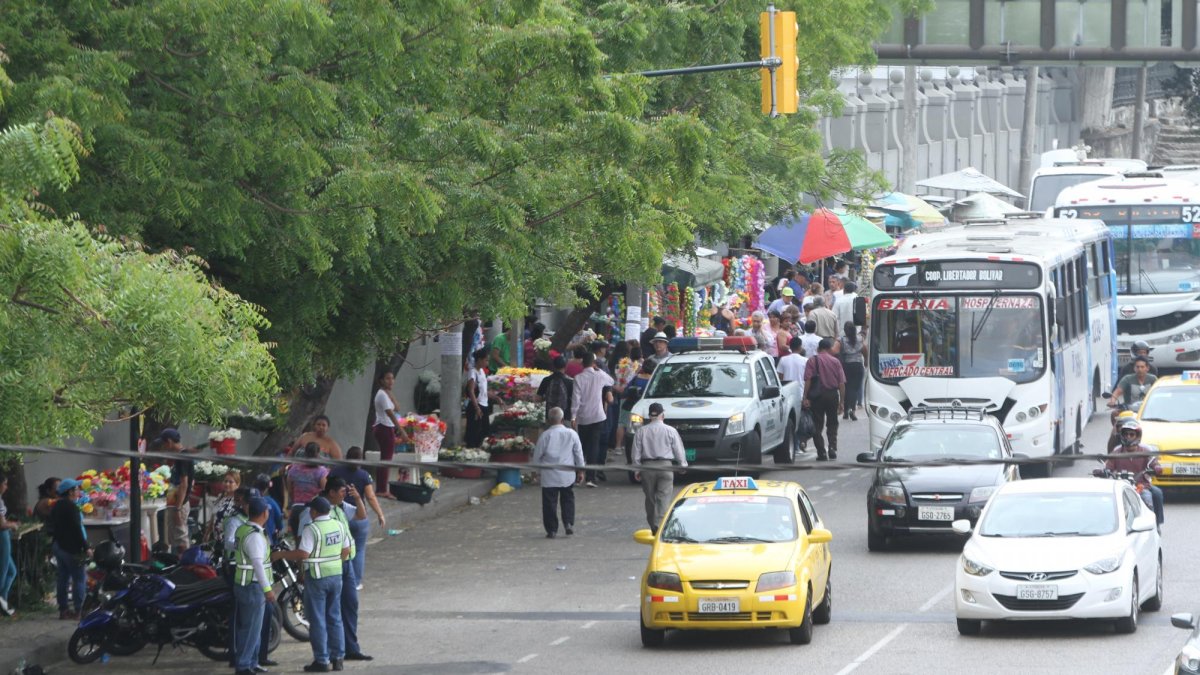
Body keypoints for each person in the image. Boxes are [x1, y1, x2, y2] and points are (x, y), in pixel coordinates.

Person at [298, 478, 372, 663]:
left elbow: (361, 515)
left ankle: (349, 649)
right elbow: (302, 543)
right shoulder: (312, 512)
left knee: (349, 606)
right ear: (331, 492)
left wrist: (358, 498)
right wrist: (302, 570)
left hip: (344, 565)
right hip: (324, 569)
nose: (345, 494)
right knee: (325, 614)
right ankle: (328, 655)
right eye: (342, 491)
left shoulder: (341, 508)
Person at [274, 496, 350, 673]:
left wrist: (281, 555)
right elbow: (346, 551)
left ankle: (322, 660)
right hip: (336, 576)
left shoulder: (312, 528)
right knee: (335, 617)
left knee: (317, 620)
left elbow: (303, 554)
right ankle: (338, 658)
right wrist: (334, 562)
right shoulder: (339, 525)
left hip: (317, 578)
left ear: (314, 512)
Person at [330, 447, 385, 587]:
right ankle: (355, 583)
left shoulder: (335, 472)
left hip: (339, 515)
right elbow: (371, 497)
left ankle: (339, 580)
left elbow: (326, 488)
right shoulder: (364, 475)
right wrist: (380, 514)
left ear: (346, 457)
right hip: (358, 516)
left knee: (338, 549)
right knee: (359, 550)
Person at [231, 497, 274, 675]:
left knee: (253, 628)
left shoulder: (243, 529)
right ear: (264, 513)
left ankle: (252, 662)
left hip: (244, 584)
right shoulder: (255, 536)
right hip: (253, 586)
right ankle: (243, 665)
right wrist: (267, 589)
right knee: (250, 629)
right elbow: (258, 565)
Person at [631, 403, 688, 533]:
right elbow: (678, 450)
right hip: (666, 467)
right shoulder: (670, 430)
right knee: (664, 497)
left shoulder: (641, 431)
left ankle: (653, 525)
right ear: (663, 415)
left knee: (650, 498)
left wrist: (636, 469)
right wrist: (682, 465)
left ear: (649, 416)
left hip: (647, 467)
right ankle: (661, 525)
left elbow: (636, 453)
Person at [532, 407, 585, 538]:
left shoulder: (545, 436)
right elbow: (578, 454)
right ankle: (568, 523)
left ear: (549, 420)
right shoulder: (572, 434)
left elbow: (537, 456)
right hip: (567, 474)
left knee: (549, 503)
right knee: (568, 499)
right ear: (562, 419)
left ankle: (552, 530)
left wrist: (535, 472)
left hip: (549, 476)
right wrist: (581, 470)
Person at [1105, 419, 1165, 525]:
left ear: (1137, 436)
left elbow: (1154, 462)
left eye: (1131, 434)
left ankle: (1155, 525)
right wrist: (1103, 471)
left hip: (1141, 486)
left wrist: (1157, 467)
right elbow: (1108, 466)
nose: (1128, 437)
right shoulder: (1117, 451)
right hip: (1121, 487)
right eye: (1126, 434)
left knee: (1151, 497)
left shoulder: (1146, 451)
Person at [572, 351, 614, 487]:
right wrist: (599, 370)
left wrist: (573, 416)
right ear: (594, 363)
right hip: (598, 416)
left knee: (581, 447)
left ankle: (578, 476)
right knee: (594, 447)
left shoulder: (578, 378)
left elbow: (576, 399)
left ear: (582, 364)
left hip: (583, 417)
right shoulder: (599, 375)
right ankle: (591, 478)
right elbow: (611, 381)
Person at [49, 478, 88, 619]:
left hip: (58, 545)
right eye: (76, 489)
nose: (78, 492)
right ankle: (79, 610)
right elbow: (77, 529)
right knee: (79, 578)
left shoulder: (57, 506)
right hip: (71, 548)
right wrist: (86, 547)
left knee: (63, 578)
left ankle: (63, 610)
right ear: (70, 492)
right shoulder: (72, 507)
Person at [803, 338, 847, 461]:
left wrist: (805, 397)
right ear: (829, 349)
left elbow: (808, 380)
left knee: (817, 424)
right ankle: (832, 448)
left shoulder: (812, 360)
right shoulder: (836, 361)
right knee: (832, 422)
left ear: (818, 349)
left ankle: (821, 452)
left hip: (817, 396)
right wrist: (842, 402)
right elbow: (841, 383)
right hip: (832, 395)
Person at [372, 371, 411, 492]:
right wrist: (402, 431)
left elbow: (397, 408)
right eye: (387, 378)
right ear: (381, 380)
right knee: (386, 460)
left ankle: (381, 488)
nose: (391, 381)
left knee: (385, 459)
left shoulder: (386, 393)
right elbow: (391, 414)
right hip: (384, 427)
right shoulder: (381, 395)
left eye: (392, 378)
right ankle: (382, 490)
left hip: (387, 427)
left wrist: (391, 395)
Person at [159, 428, 194, 554]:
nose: (163, 447)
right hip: (174, 502)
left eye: (163, 443)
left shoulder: (182, 457)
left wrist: (178, 509)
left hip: (179, 504)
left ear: (169, 442)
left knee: (181, 538)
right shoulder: (180, 455)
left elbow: (184, 483)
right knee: (176, 538)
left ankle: (186, 562)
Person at [287, 443, 329, 534]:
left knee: (297, 539)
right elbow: (325, 492)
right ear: (318, 454)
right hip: (312, 511)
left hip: (296, 508)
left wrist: (295, 499)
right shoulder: (321, 472)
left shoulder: (294, 469)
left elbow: (290, 490)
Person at [465, 347, 500, 448]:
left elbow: (484, 391)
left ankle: (477, 448)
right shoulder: (473, 372)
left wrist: (496, 398)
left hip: (484, 404)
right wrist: (477, 408)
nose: (487, 362)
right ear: (479, 360)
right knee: (474, 431)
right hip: (477, 405)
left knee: (485, 430)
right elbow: (471, 391)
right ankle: (472, 449)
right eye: (486, 360)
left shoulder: (482, 372)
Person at [838, 321, 866, 421]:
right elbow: (865, 350)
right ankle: (852, 410)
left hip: (846, 366)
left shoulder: (841, 340)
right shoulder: (860, 338)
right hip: (858, 365)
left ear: (845, 331)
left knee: (846, 388)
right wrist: (866, 361)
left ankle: (846, 411)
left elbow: (837, 351)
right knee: (854, 389)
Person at [206, 469, 242, 544]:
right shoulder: (221, 498)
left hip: (230, 540)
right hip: (217, 539)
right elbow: (213, 516)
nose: (227, 484)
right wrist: (207, 533)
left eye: (230, 482)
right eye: (225, 481)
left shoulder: (239, 501)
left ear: (237, 484)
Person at [0, 472, 18, 616]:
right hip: (2, 536)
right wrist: (12, 525)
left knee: (12, 571)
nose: (6, 487)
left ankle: (3, 601)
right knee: (3, 571)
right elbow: (1, 525)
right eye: (4, 484)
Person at [252, 473, 284, 545]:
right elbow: (279, 523)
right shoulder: (271, 502)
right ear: (268, 487)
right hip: (268, 539)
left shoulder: (248, 500)